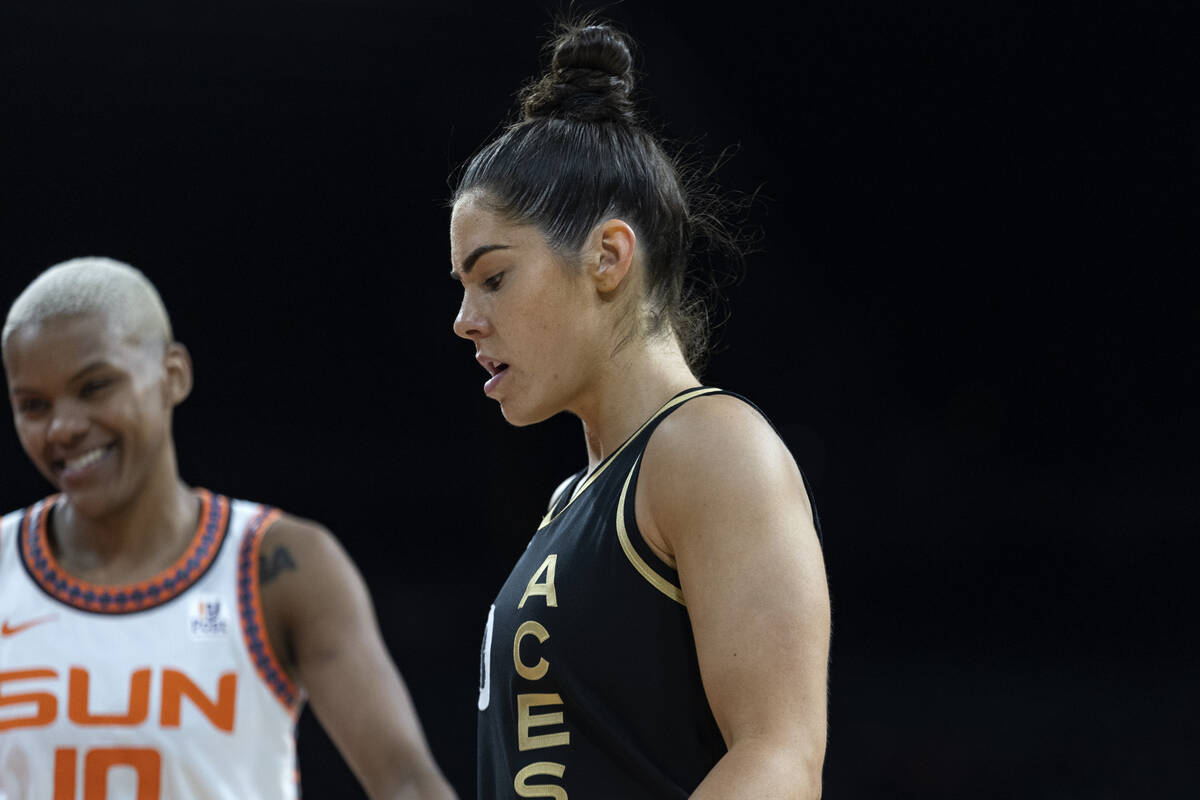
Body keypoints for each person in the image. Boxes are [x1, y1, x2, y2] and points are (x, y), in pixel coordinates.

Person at [450, 18, 831, 800]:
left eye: (492, 278)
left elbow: (780, 759)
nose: (464, 319)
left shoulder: (710, 447)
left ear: (609, 257)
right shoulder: (574, 499)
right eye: (461, 286)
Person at [0, 257, 457, 800]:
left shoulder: (280, 564)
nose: (64, 427)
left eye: (96, 386)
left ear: (174, 375)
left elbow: (405, 781)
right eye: (33, 405)